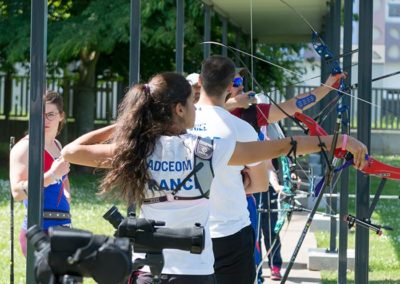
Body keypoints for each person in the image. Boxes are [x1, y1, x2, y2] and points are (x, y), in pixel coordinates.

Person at [61, 72, 367, 284]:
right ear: (179, 109)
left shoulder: (137, 151)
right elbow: (283, 146)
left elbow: (72, 151)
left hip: (147, 271)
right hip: (195, 271)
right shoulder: (207, 150)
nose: (197, 108)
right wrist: (336, 142)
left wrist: (130, 126)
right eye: (192, 105)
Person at [226, 66, 345, 281]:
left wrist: (327, 86)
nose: (241, 86)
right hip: (206, 205)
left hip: (241, 200)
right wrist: (232, 104)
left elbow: (292, 106)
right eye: (235, 83)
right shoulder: (196, 114)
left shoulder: (251, 113)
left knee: (243, 261)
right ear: (221, 86)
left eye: (241, 82)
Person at [189, 56, 268, 284]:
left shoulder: (176, 124)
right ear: (230, 87)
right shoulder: (241, 128)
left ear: (200, 82)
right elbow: (260, 184)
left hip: (187, 232)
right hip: (230, 232)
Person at [9, 90, 71, 257]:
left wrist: (66, 191)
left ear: (61, 116)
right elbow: (17, 192)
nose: (45, 120)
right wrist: (52, 175)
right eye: (40, 114)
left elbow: (63, 176)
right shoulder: (25, 148)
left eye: (51, 114)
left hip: (63, 227)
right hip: (39, 230)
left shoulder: (57, 145)